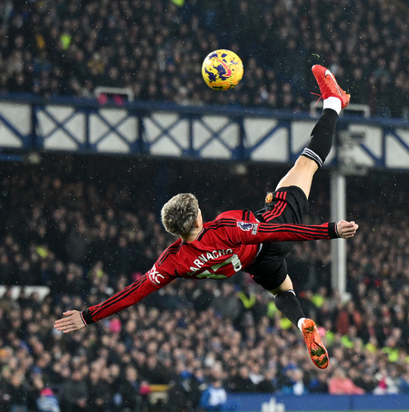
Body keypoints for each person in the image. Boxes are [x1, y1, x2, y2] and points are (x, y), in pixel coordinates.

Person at [55, 65, 356, 371]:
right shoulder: (224, 227)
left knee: (282, 291)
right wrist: (330, 230)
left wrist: (88, 316)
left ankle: (303, 321)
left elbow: (133, 293)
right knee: (307, 163)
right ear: (198, 219)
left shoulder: (173, 261)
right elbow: (272, 232)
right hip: (272, 234)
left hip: (256, 265)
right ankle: (334, 101)